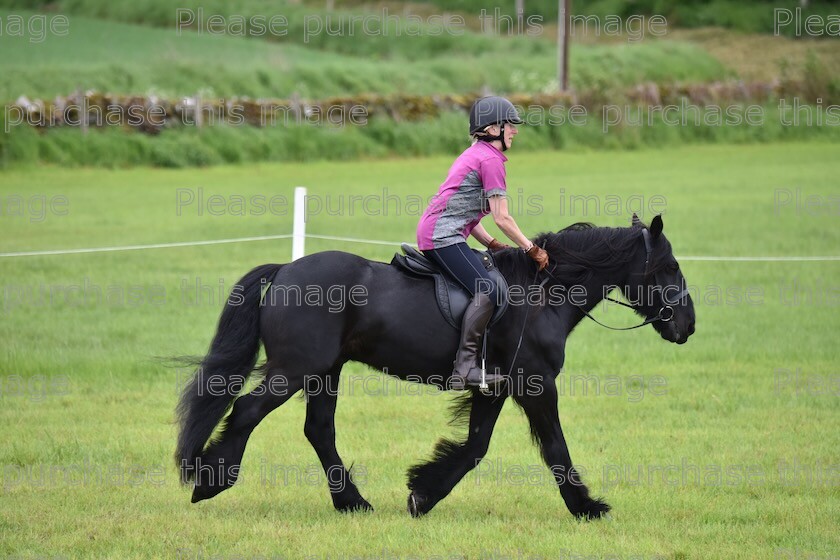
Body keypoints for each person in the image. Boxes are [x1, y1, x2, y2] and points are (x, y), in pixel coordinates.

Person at [416, 96, 549, 390]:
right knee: (487, 289)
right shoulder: (489, 160)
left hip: (441, 231)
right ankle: (464, 369)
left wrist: (491, 243)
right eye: (509, 125)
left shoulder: (476, 153)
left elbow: (465, 210)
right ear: (492, 129)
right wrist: (532, 249)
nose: (514, 131)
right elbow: (502, 216)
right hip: (442, 237)